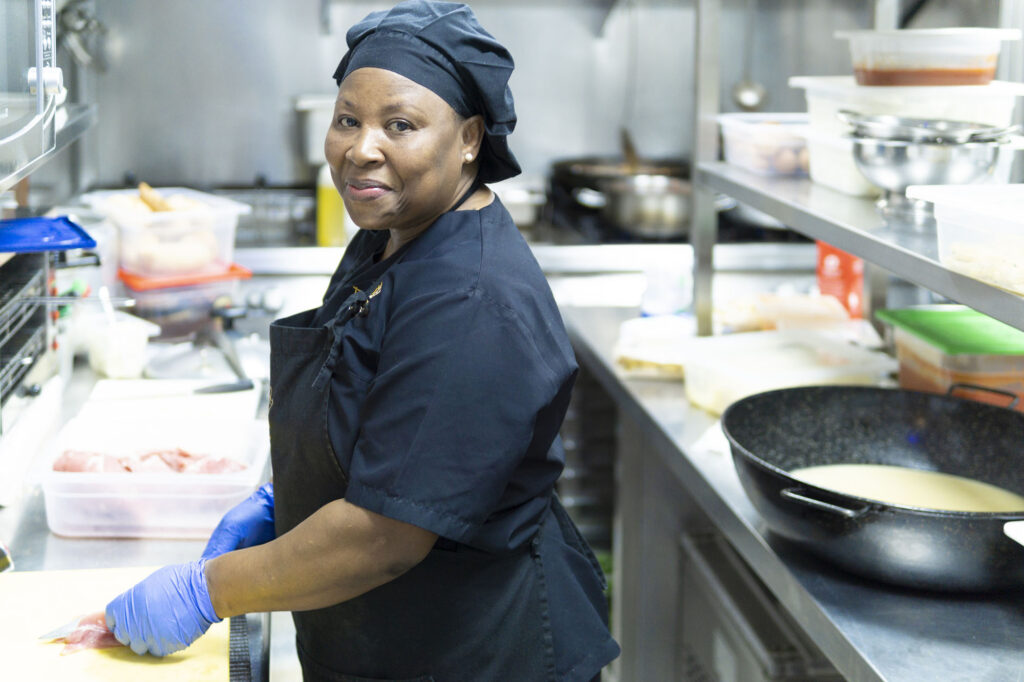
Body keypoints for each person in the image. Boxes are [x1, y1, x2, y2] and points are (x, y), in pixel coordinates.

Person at [104, 2, 621, 679]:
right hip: (389, 632)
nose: (361, 148)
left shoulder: (471, 302)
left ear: (469, 138)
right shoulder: (396, 231)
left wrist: (207, 591)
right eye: (348, 119)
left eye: (399, 125)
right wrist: (287, 500)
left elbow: (385, 536)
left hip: (473, 649)